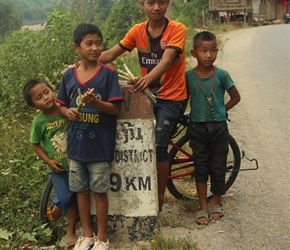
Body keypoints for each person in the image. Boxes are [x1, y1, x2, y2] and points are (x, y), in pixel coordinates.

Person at [98, 0, 188, 212]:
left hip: (171, 97)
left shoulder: (177, 29)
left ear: (167, 4)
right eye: (151, 2)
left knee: (158, 147)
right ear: (142, 5)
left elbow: (166, 62)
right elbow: (110, 55)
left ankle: (158, 199)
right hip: (146, 95)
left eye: (161, 2)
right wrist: (86, 61)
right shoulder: (137, 31)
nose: (156, 7)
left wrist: (146, 80)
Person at [56, 23, 124, 250]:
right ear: (77, 47)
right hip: (76, 148)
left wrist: (95, 102)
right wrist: (69, 112)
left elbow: (114, 109)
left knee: (100, 191)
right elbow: (61, 105)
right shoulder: (69, 75)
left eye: (98, 43)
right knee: (81, 192)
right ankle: (87, 234)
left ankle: (102, 237)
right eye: (89, 44)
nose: (95, 48)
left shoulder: (108, 74)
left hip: (99, 148)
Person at [185, 31, 241, 225]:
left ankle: (217, 200)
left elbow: (236, 97)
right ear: (194, 53)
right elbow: (183, 100)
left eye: (213, 50)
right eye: (203, 51)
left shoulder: (222, 75)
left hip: (218, 127)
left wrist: (221, 110)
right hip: (197, 128)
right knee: (200, 166)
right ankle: (203, 206)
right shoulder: (189, 77)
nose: (209, 55)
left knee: (218, 164)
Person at [22, 79, 78, 248]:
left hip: (77, 163)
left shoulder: (65, 110)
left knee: (74, 197)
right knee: (66, 196)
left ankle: (71, 229)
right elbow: (35, 143)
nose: (46, 97)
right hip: (59, 168)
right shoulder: (39, 122)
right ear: (34, 106)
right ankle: (56, 212)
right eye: (39, 97)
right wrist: (48, 161)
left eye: (46, 92)